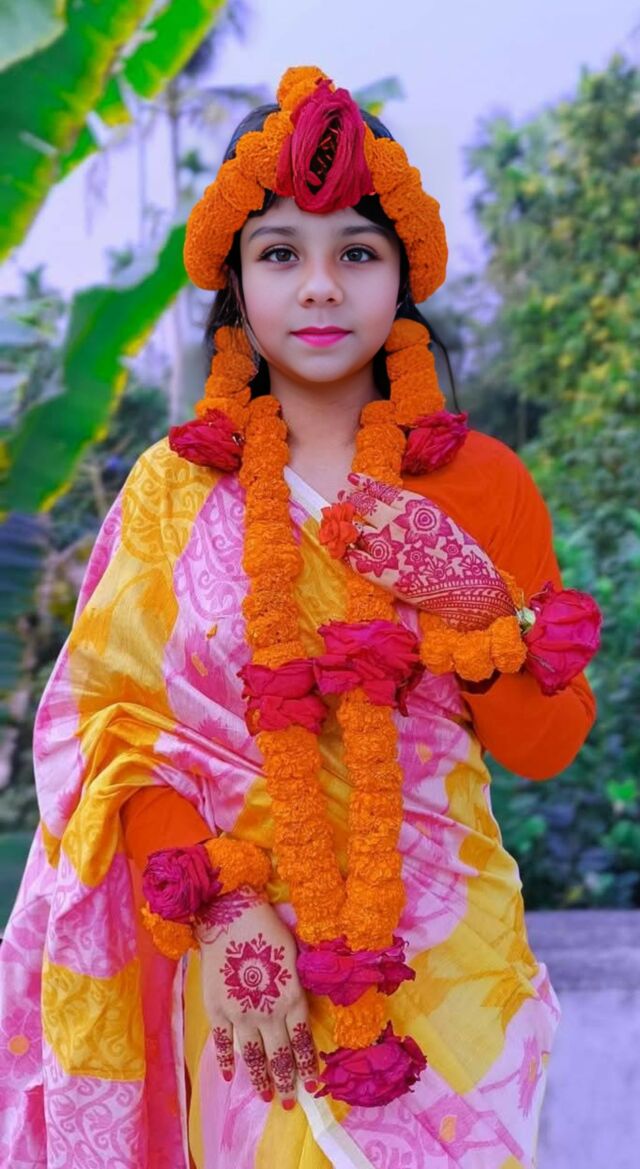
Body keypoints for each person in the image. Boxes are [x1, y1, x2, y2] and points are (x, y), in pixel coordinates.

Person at [0, 65, 601, 1169]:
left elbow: (548, 744)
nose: (320, 287)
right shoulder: (173, 494)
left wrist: (476, 607)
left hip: (451, 978)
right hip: (247, 985)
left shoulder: (482, 482)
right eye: (280, 253)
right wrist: (224, 913)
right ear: (234, 281)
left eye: (356, 253)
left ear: (403, 272)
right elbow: (112, 743)